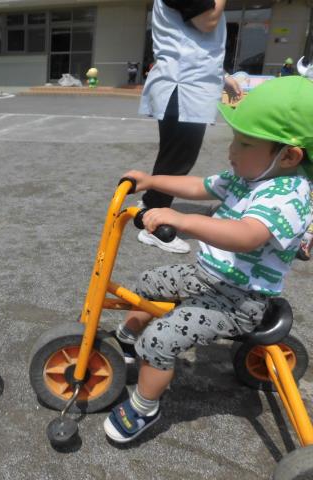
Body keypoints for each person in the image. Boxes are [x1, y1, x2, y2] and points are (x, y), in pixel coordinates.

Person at [104, 75, 313, 443]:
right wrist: (151, 181)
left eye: (245, 143)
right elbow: (199, 185)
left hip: (239, 300)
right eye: (234, 138)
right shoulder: (246, 176)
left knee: (160, 340)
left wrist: (183, 221)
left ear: (289, 156)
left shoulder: (288, 195)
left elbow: (247, 236)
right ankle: (125, 342)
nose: (232, 149)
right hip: (208, 276)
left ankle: (144, 407)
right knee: (148, 282)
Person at [138, 0, 242, 254]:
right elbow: (208, 21)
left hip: (188, 83)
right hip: (183, 86)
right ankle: (153, 224)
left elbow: (194, 43)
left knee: (176, 156)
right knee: (177, 159)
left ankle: (150, 204)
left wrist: (222, 76)